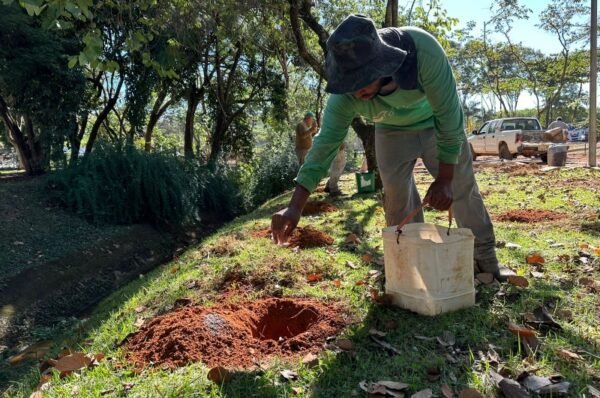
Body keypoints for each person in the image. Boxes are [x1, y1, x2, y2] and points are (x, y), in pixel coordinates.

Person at [272, 14, 506, 279]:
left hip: (436, 124)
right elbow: (325, 144)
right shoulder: (344, 96)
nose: (356, 92)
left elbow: (450, 118)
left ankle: (486, 261)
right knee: (396, 197)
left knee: (462, 187)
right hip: (391, 130)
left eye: (361, 81)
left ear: (381, 64)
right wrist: (295, 206)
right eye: (349, 84)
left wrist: (445, 177)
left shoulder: (423, 52)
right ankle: (411, 266)